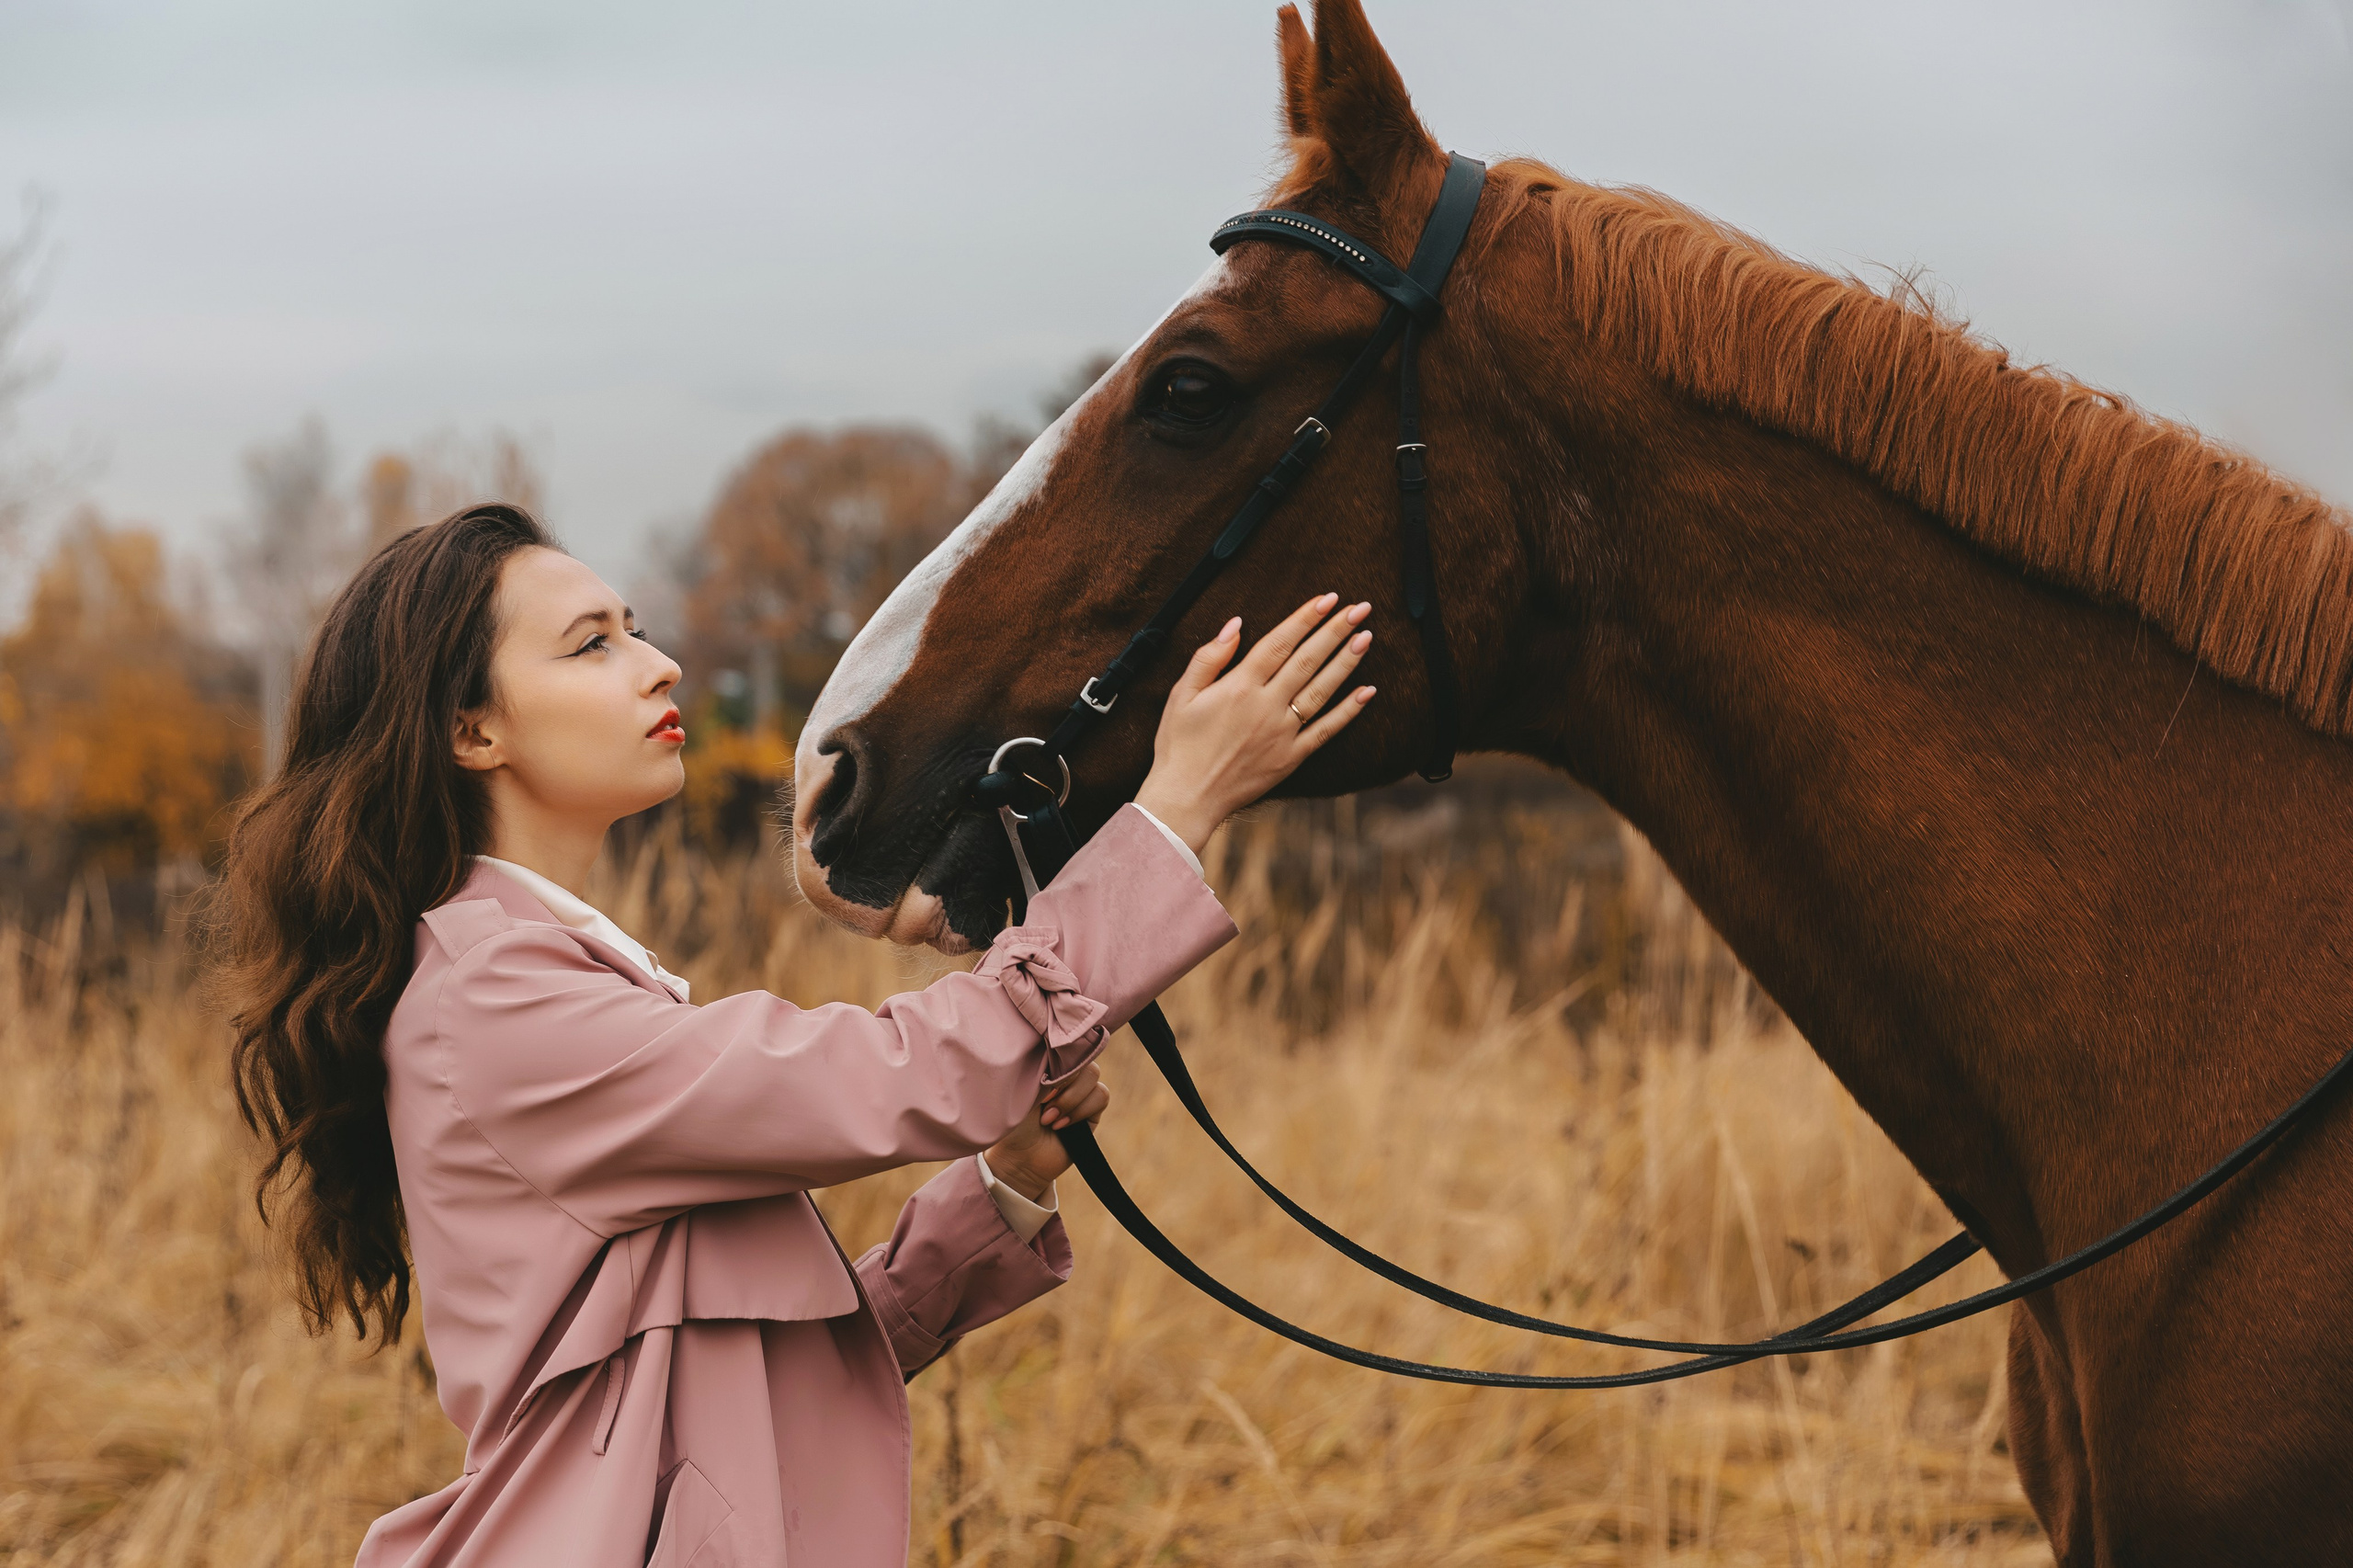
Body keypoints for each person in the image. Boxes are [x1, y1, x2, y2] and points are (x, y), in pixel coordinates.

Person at [215, 505, 1378, 1567]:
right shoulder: (497, 1000)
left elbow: (750, 1381)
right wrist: (1175, 812)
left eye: (636, 628)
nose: (658, 662)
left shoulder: (551, 974)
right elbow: (911, 1069)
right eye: (591, 645)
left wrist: (1007, 1184)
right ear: (472, 730)